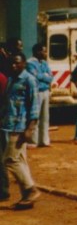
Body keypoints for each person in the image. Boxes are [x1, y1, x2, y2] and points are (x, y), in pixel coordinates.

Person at [2, 51, 42, 208]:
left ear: (24, 63)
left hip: (19, 127)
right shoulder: (11, 80)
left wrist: (30, 129)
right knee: (21, 160)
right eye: (12, 62)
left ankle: (31, 189)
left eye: (17, 62)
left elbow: (34, 107)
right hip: (8, 124)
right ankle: (27, 197)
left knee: (9, 159)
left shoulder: (29, 80)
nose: (14, 65)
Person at [25, 43, 53, 148]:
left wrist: (44, 77)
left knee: (45, 117)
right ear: (38, 52)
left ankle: (44, 140)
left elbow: (50, 77)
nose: (46, 53)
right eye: (44, 51)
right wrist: (44, 76)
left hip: (45, 91)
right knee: (35, 116)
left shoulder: (44, 63)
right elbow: (34, 77)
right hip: (36, 92)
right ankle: (33, 141)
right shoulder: (30, 63)